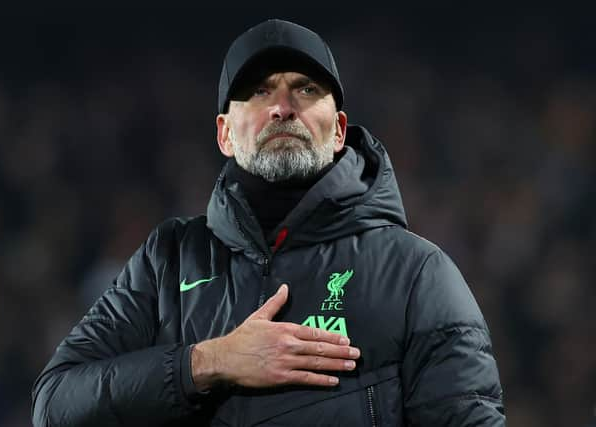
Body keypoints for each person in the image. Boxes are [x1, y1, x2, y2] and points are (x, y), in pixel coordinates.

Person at [31, 19, 505, 426]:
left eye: (306, 89)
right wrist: (210, 361)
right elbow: (54, 404)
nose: (283, 107)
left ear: (339, 129)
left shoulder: (414, 272)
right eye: (259, 91)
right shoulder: (170, 261)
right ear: (224, 135)